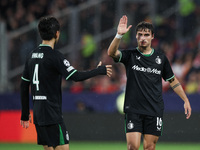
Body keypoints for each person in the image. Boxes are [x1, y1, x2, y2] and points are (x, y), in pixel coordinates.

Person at [20, 16, 112, 150]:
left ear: (40, 33)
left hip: (38, 112)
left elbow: (23, 85)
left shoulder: (31, 55)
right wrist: (98, 71)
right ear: (57, 33)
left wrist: (24, 113)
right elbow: (75, 76)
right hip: (52, 112)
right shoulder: (55, 56)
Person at [107, 15, 191, 150]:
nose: (143, 38)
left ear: (152, 36)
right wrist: (118, 35)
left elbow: (173, 81)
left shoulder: (161, 59)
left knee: (149, 147)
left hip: (154, 109)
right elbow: (111, 53)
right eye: (140, 35)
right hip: (134, 109)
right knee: (132, 146)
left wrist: (185, 100)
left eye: (146, 35)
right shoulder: (130, 55)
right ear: (136, 36)